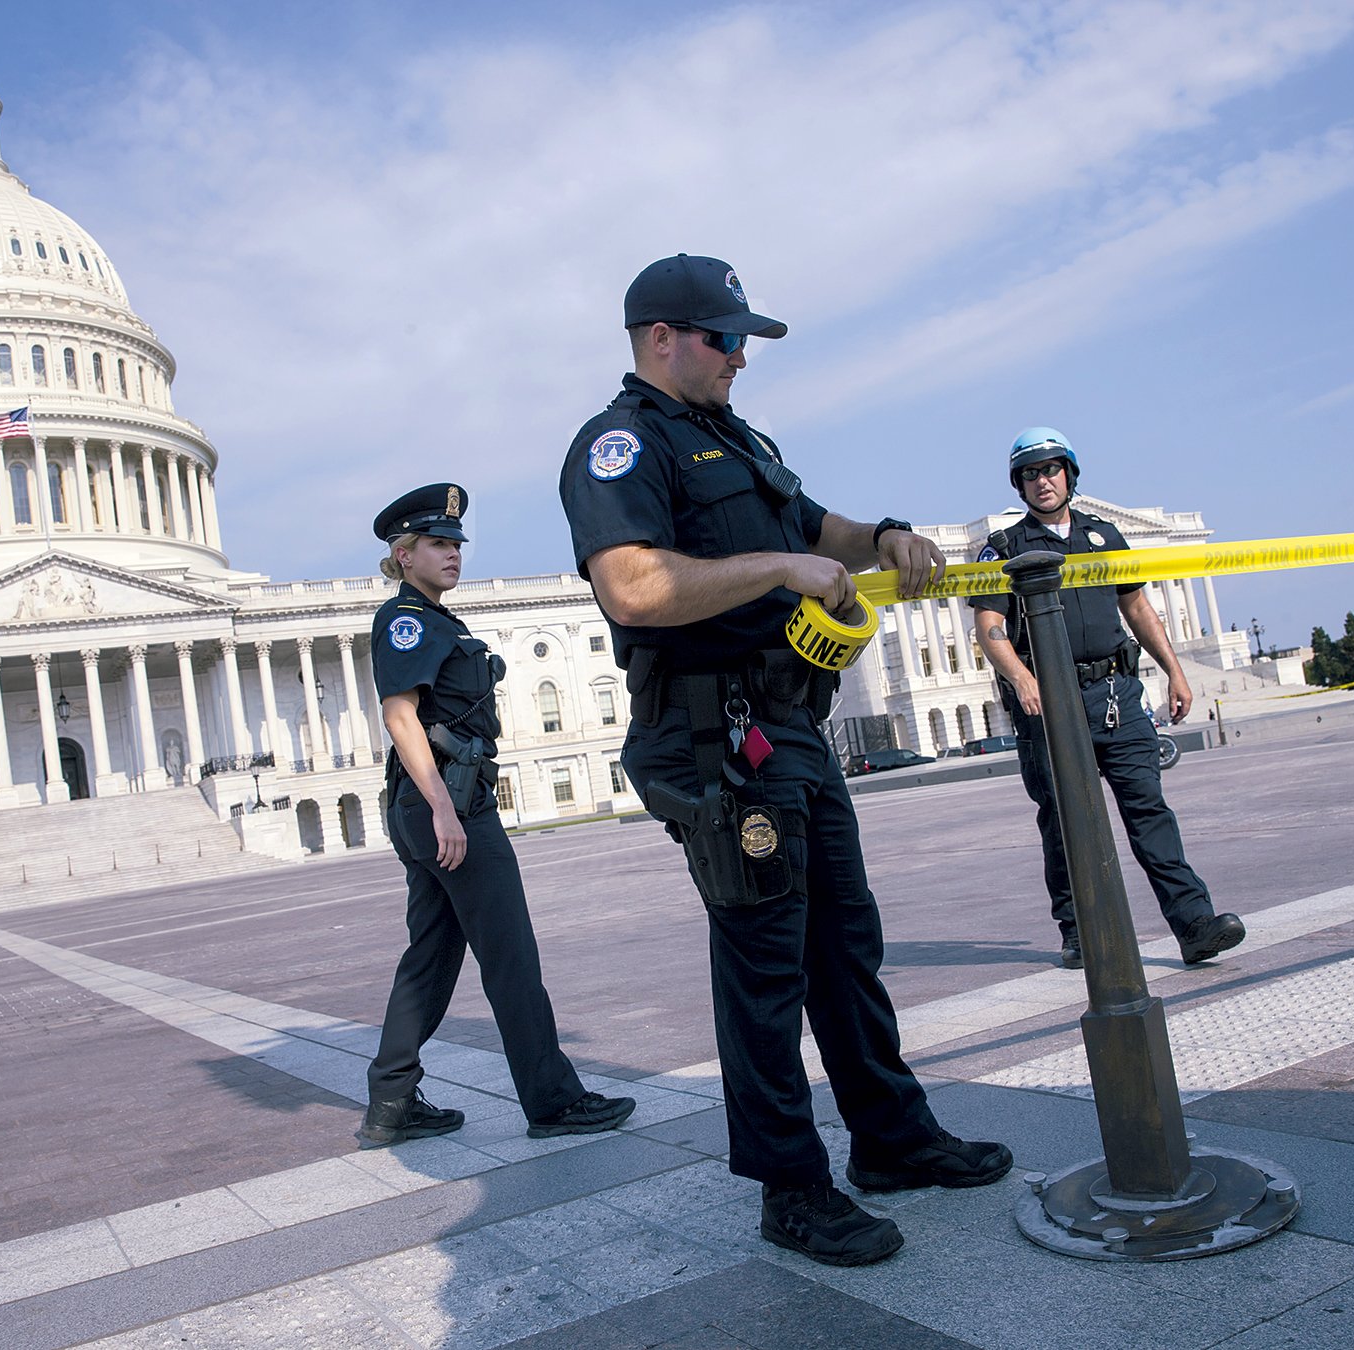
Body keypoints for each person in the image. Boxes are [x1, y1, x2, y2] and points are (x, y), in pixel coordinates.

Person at [559, 255, 1012, 1268]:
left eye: (745, 341)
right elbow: (631, 587)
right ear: (660, 337)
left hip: (789, 725)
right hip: (716, 737)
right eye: (724, 338)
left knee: (844, 947)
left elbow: (817, 528)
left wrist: (883, 536)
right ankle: (790, 1188)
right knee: (764, 966)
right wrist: (780, 567)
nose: (740, 358)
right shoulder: (619, 446)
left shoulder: (735, 438)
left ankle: (891, 1140)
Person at [359, 483, 637, 1148]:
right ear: (403, 555)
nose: (454, 552)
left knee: (430, 956)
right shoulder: (405, 621)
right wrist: (443, 812)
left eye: (456, 542)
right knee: (510, 954)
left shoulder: (437, 621)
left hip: (438, 801)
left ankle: (392, 1101)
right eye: (437, 543)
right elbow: (400, 717)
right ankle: (553, 1101)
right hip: (447, 803)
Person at [970, 428, 1246, 970]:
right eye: (1030, 473)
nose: (1042, 481)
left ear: (1069, 474)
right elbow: (990, 626)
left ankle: (1195, 925)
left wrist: (1175, 671)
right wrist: (1024, 680)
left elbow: (1138, 608)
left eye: (1051, 469)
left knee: (1149, 811)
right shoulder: (1004, 548)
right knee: (1065, 820)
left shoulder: (1105, 537)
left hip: (1116, 695)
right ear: (1018, 485)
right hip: (1050, 707)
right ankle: (1079, 932)